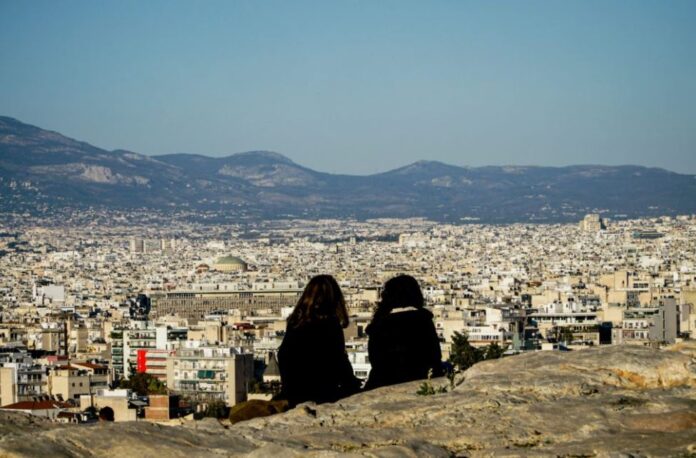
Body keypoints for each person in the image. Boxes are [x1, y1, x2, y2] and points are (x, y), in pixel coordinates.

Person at [276, 274, 361, 407]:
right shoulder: (330, 324)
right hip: (322, 393)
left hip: (294, 392)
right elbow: (338, 359)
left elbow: (284, 355)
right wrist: (352, 384)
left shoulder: (295, 322)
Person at [364, 274, 443, 390]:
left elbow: (376, 361)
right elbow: (434, 356)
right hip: (421, 383)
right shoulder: (423, 320)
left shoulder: (379, 325)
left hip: (383, 384)